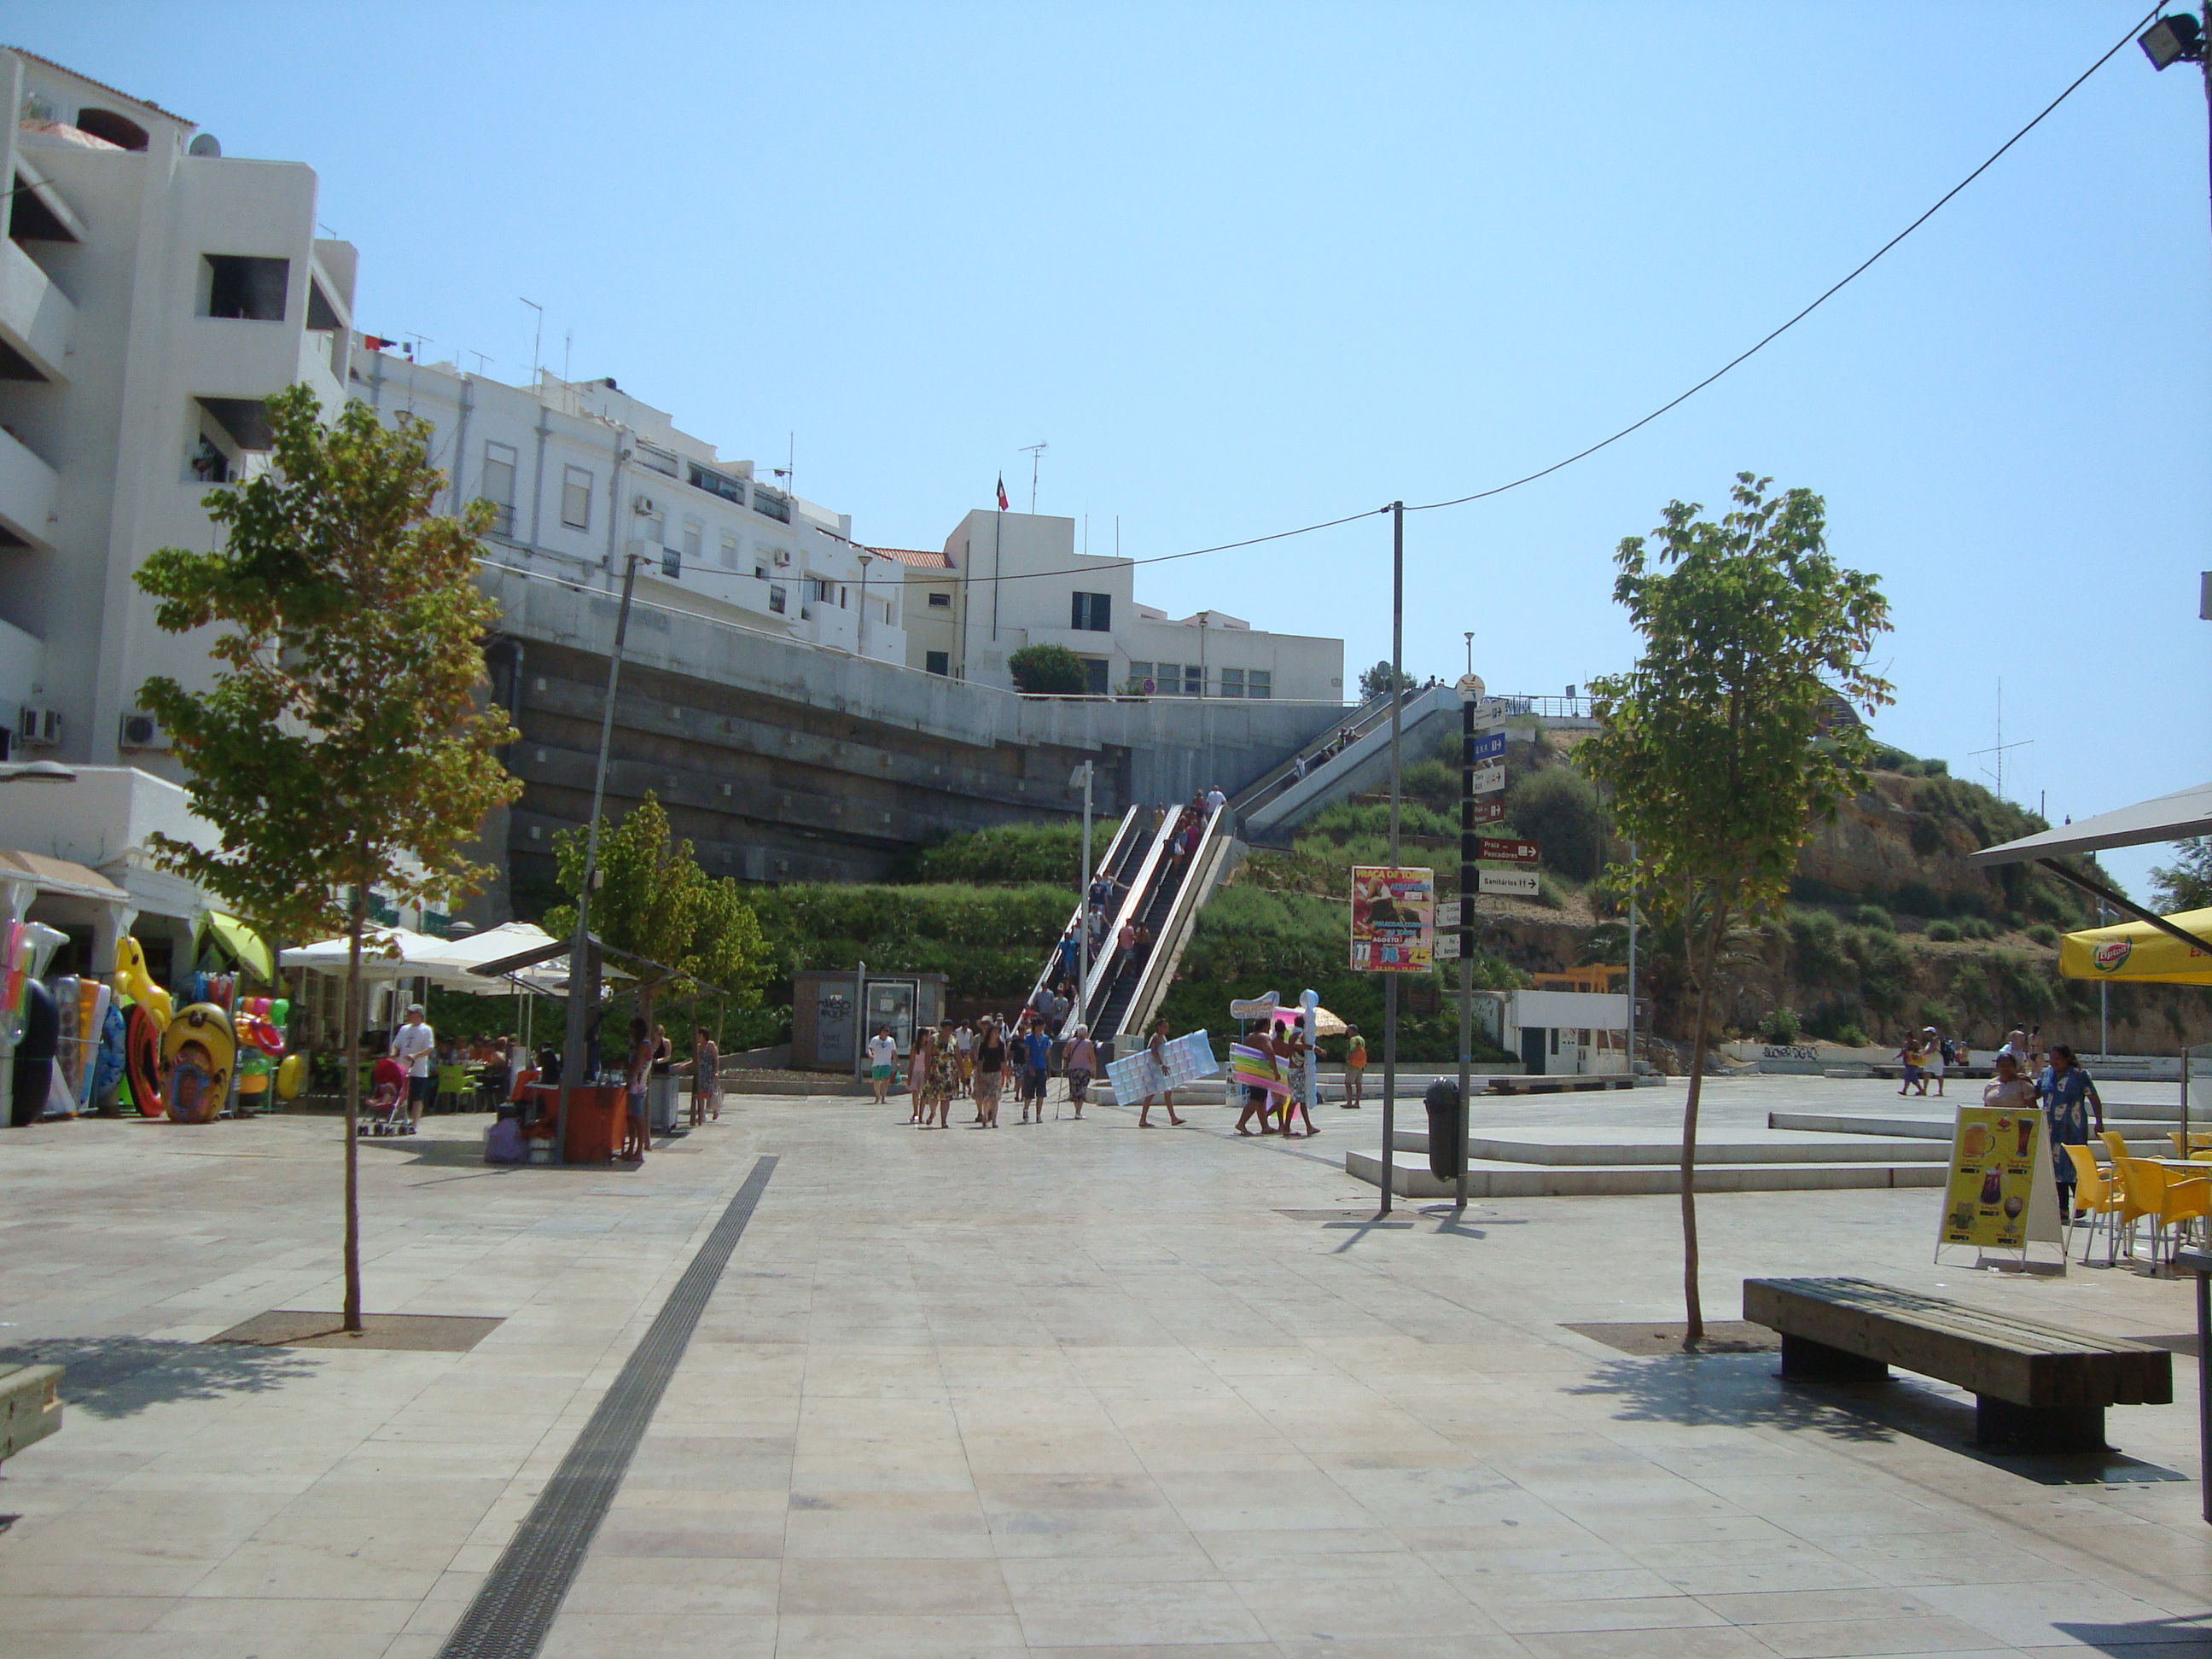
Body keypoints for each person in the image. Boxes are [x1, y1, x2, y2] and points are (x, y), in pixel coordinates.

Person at [2037, 1044, 2104, 1217]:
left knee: (2074, 1164)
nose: (2054, 1062)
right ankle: (2062, 1207)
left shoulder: (2079, 1076)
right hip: (2052, 1128)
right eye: (2051, 1059)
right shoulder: (2046, 1075)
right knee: (2056, 1166)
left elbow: (2094, 1098)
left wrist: (2099, 1121)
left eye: (2058, 1059)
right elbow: (2035, 1093)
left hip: (2073, 1127)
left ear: (2067, 1058)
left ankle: (2080, 1203)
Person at [389, 1004, 436, 1132]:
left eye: (411, 1013)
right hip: (402, 1068)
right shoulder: (404, 1029)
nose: (409, 1016)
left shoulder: (426, 1030)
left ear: (418, 1015)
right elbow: (396, 1044)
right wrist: (393, 1053)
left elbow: (429, 1048)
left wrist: (416, 1055)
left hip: (418, 1069)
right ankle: (397, 1116)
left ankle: (414, 1123)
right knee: (399, 1093)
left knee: (417, 1097)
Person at [1138, 1017, 1183, 1127]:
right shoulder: (1156, 1038)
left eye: (1167, 1026)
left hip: (1159, 1069)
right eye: (1164, 1026)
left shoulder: (1162, 1037)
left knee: (1167, 1092)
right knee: (1151, 1094)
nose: (1166, 1029)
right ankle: (1143, 1119)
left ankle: (1173, 1118)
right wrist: (1161, 1064)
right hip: (1154, 1069)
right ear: (1159, 1027)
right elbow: (1153, 1052)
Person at [621, 1016, 653, 1161]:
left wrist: (628, 1071)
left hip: (637, 1085)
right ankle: (631, 1148)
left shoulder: (643, 1045)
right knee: (631, 1117)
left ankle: (638, 1150)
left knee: (637, 1118)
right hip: (636, 1084)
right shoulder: (642, 1045)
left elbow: (637, 1065)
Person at [1017, 1017, 1052, 1124]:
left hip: (1042, 1067)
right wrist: (1030, 1066)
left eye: (1042, 1026)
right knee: (1029, 1092)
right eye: (1039, 1026)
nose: (1041, 1028)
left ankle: (1038, 1114)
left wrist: (1049, 1069)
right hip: (1031, 1068)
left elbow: (1047, 1054)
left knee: (1041, 1093)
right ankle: (1026, 1109)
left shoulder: (1045, 1039)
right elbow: (1027, 1053)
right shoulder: (1029, 1038)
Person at [972, 1017, 1005, 1128]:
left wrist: (1004, 1076)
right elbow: (980, 1061)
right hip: (985, 1072)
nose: (996, 1034)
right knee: (986, 1097)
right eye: (994, 1032)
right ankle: (985, 1114)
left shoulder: (1001, 1045)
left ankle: (994, 1120)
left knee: (995, 1098)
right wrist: (979, 1075)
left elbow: (1003, 1061)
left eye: (997, 1032)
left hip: (996, 1073)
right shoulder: (983, 1045)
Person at [1063, 1025, 1097, 1119]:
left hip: (1073, 1069)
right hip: (1085, 1069)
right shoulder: (1088, 1043)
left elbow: (1064, 1054)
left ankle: (1077, 1110)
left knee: (1075, 1090)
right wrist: (1094, 1069)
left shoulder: (1071, 1042)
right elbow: (1092, 1057)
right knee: (1082, 1090)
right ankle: (1078, 1112)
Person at [905, 1022, 934, 1126]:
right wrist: (909, 1075)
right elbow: (911, 1062)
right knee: (915, 1092)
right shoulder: (915, 1047)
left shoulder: (930, 1046)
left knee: (924, 1094)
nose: (927, 1037)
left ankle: (921, 1114)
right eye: (926, 1035)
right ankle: (915, 1113)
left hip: (925, 1071)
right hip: (915, 1071)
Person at [867, 1026, 898, 1106]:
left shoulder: (891, 1040)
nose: (886, 1033)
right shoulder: (875, 1040)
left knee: (885, 1081)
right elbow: (869, 1048)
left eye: (887, 1031)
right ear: (881, 1032)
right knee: (876, 1081)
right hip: (877, 1063)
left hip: (886, 1063)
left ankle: (883, 1097)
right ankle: (878, 1096)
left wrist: (896, 1062)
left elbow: (894, 1051)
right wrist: (870, 1055)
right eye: (885, 1031)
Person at [1896, 1031, 1927, 1097]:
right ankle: (1921, 1090)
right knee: (1913, 1077)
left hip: (1914, 1062)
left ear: (1910, 1037)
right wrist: (1896, 1057)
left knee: (1908, 1075)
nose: (1906, 1038)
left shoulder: (1915, 1043)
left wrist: (1917, 1054)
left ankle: (1904, 1090)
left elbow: (1920, 1050)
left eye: (1907, 1037)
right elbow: (1903, 1052)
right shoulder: (1905, 1044)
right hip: (1907, 1061)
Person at [1342, 1025, 1366, 1109]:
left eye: (1349, 1031)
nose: (1348, 1033)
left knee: (1348, 1083)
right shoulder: (1361, 1039)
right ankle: (1357, 1102)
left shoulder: (1353, 1039)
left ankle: (1349, 1102)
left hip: (1353, 1064)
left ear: (1353, 1031)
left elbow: (1353, 1049)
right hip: (1361, 1064)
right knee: (1358, 1083)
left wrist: (1348, 1059)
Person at [1920, 1027, 1946, 1098]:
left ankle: (1940, 1091)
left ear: (1932, 1033)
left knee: (1939, 1076)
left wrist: (1920, 1054)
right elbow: (1927, 1050)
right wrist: (1921, 1052)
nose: (1926, 1034)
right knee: (1926, 1074)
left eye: (1928, 1032)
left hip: (1936, 1060)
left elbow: (1930, 1050)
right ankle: (1924, 1090)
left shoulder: (1935, 1040)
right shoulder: (1930, 1042)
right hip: (1929, 1061)